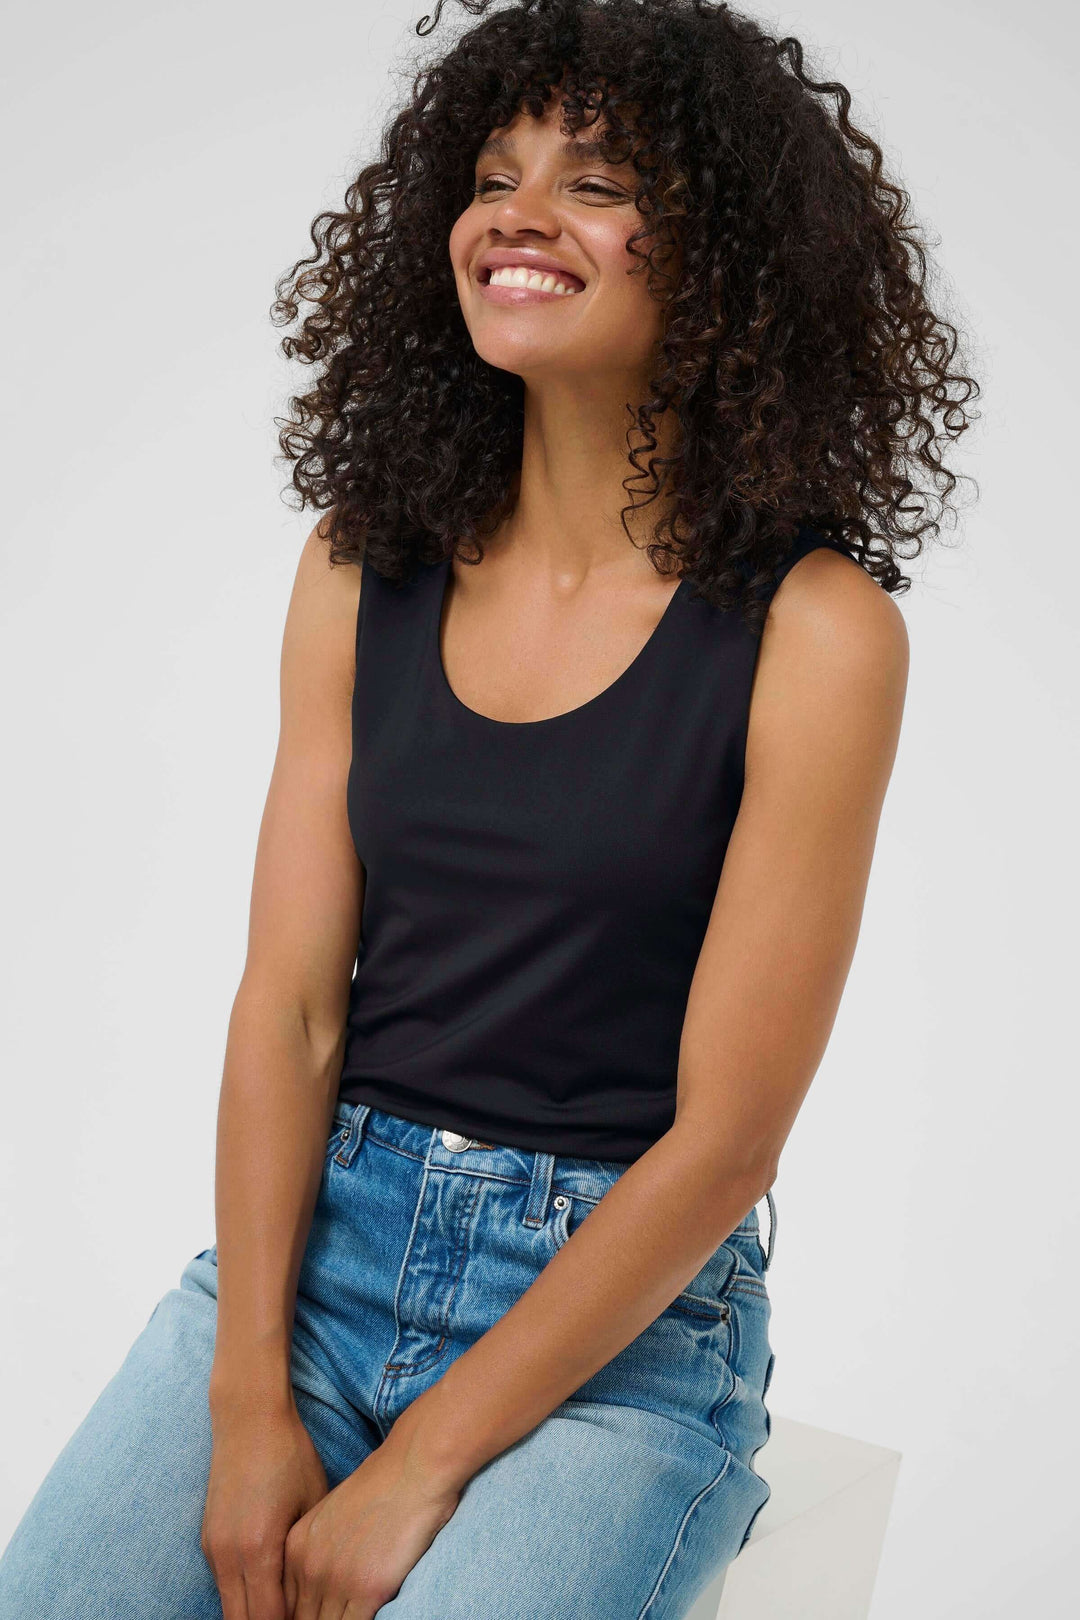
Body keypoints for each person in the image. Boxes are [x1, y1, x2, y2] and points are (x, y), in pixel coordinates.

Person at [0, 1, 978, 1616]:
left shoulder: (815, 635)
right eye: (492, 175)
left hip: (619, 1332)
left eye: (595, 182)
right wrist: (249, 1400)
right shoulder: (358, 566)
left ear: (727, 256)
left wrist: (423, 1464)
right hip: (317, 1256)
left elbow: (727, 1141)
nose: (519, 214)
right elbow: (294, 1009)